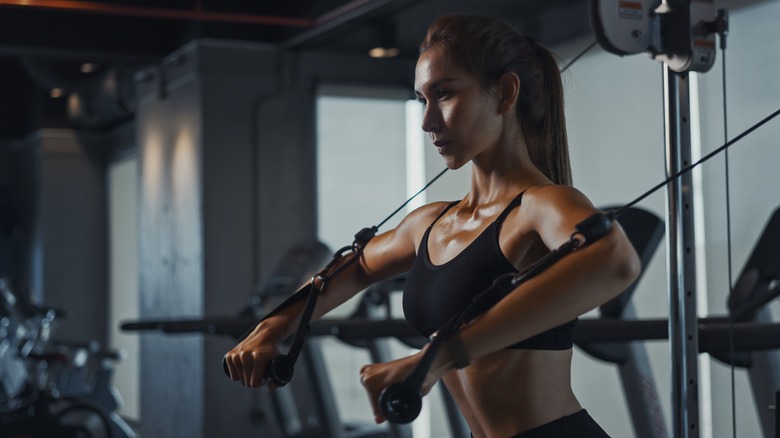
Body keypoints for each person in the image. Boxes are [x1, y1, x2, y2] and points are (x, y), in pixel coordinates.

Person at [225, 13, 640, 438]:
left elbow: (614, 259)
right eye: (422, 99)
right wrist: (273, 327)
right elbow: (359, 266)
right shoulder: (431, 222)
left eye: (443, 94)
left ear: (504, 93)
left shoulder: (541, 206)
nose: (427, 121)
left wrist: (441, 354)